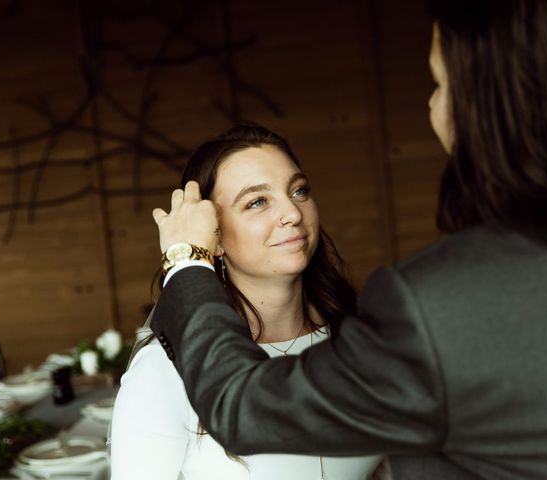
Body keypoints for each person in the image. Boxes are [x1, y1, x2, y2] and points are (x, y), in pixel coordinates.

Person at [148, 0, 547, 478]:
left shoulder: (432, 312)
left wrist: (185, 259)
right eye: (256, 201)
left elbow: (240, 404)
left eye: (438, 83)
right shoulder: (158, 376)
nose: (431, 104)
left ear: (489, 102)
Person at [110, 124, 389, 479]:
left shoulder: (358, 334)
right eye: (258, 201)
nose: (292, 212)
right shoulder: (165, 370)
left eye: (299, 190)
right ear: (212, 237)